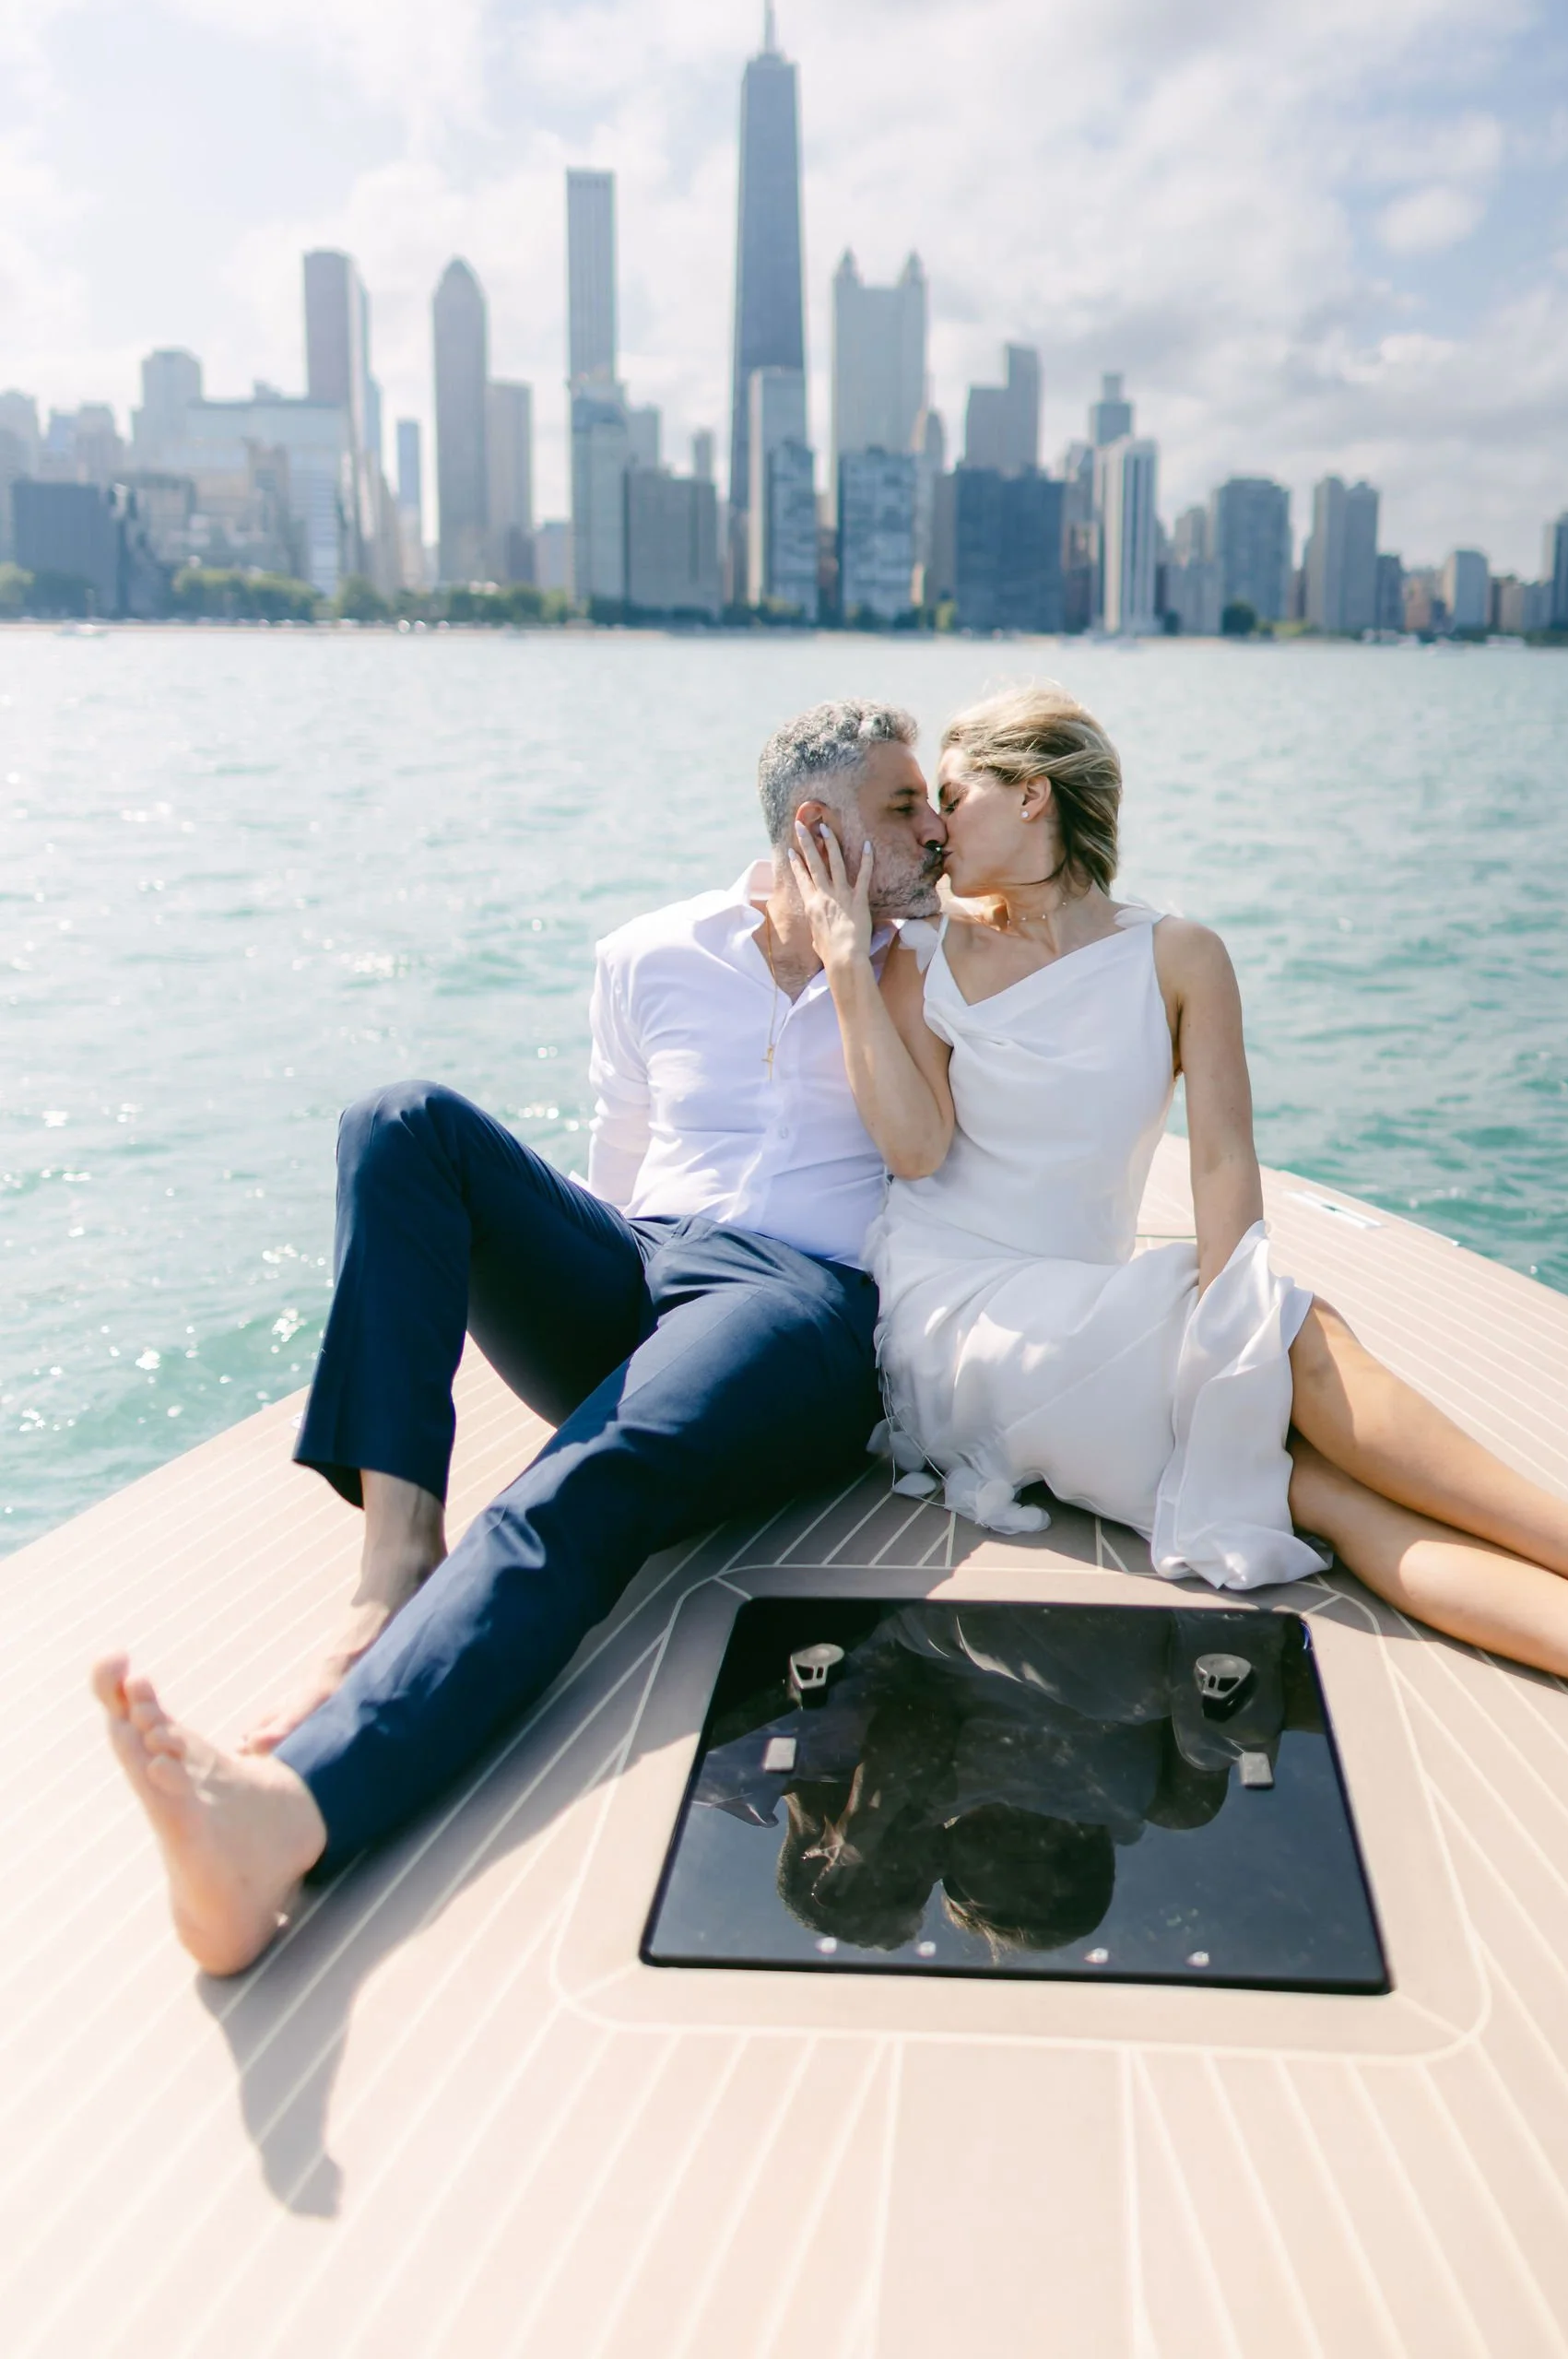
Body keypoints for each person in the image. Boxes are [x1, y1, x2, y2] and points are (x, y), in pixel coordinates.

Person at [784, 682, 1568, 1775]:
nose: (931, 829)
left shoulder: (1178, 956)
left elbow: (1220, 1153)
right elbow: (916, 1151)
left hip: (1091, 1317)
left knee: (1316, 1486)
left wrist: (1230, 1311)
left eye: (950, 795)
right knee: (1304, 1346)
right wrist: (843, 960)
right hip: (963, 1318)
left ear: (1031, 798)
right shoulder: (913, 955)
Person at [93, 699, 947, 1976]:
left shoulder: (923, 964)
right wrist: (600, 1300)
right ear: (813, 827)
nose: (939, 828)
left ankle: (291, 1814)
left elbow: (919, 1153)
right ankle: (394, 1566)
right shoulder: (650, 953)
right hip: (646, 1261)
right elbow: (616, 1167)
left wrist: (844, 959)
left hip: (802, 1306)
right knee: (400, 1118)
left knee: (589, 1476)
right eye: (905, 806)